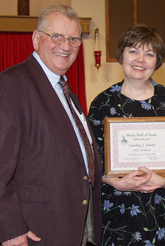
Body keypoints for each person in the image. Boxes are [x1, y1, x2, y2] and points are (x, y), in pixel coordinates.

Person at [0, 4, 102, 246]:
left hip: (72, 225)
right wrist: (9, 228)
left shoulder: (67, 93)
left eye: (73, 39)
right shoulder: (12, 84)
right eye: (56, 36)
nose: (65, 46)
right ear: (36, 39)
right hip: (34, 229)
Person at [88, 23, 165, 246]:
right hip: (118, 212)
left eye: (149, 54)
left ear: (157, 61)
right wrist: (116, 182)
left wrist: (163, 179)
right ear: (121, 55)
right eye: (133, 51)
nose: (140, 59)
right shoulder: (102, 103)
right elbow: (90, 158)